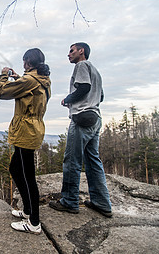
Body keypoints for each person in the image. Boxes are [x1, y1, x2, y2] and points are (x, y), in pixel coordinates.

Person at [49, 42, 112, 218]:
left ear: (81, 51)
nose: (69, 54)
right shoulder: (96, 71)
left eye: (71, 51)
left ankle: (69, 202)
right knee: (93, 161)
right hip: (96, 118)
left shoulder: (82, 65)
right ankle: (102, 203)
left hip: (82, 118)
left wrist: (67, 99)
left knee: (72, 161)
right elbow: (101, 96)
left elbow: (84, 87)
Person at [0, 48, 51, 234]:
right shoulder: (42, 79)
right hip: (31, 129)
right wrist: (20, 77)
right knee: (15, 169)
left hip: (26, 131)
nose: (23, 64)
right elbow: (29, 88)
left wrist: (4, 75)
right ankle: (27, 210)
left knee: (28, 177)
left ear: (29, 62)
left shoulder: (29, 81)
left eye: (24, 61)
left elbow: (2, 92)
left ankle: (34, 222)